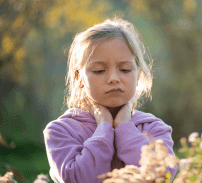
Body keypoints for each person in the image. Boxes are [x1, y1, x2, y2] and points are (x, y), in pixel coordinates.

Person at [43, 17, 177, 183]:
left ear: (138, 74)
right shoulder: (61, 131)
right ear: (79, 78)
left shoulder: (154, 129)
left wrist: (124, 127)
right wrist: (104, 127)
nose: (114, 78)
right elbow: (77, 179)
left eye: (125, 69)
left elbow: (162, 177)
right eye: (99, 70)